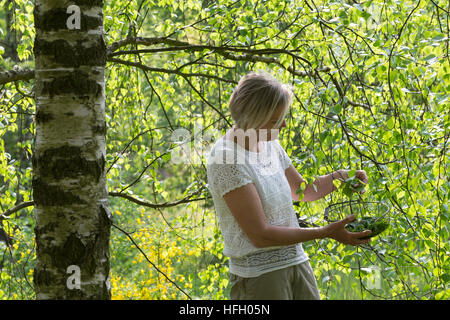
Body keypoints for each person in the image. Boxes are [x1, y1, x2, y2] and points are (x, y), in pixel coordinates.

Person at [206, 71, 370, 300]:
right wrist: (325, 233)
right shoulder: (225, 159)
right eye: (275, 119)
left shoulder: (268, 143)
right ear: (253, 118)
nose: (283, 124)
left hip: (296, 261)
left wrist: (340, 177)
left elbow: (301, 191)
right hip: (260, 277)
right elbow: (260, 235)